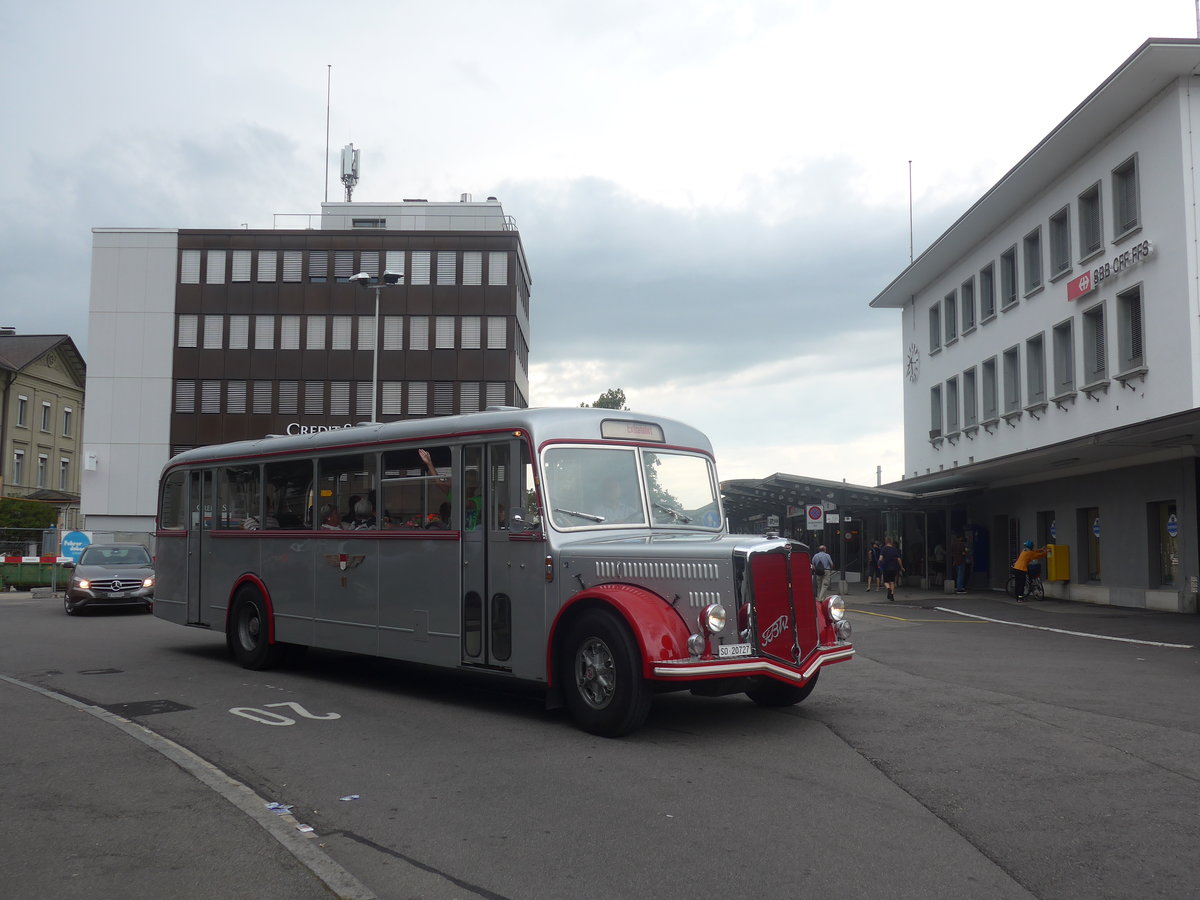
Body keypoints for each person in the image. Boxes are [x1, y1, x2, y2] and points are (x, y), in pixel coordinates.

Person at [879, 537, 904, 601]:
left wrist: (879, 564)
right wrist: (901, 567)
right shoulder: (894, 549)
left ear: (886, 541)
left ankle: (888, 589)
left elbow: (880, 559)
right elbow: (898, 559)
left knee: (886, 582)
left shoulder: (884, 549)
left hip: (886, 567)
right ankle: (892, 595)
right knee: (892, 581)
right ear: (891, 542)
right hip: (894, 567)